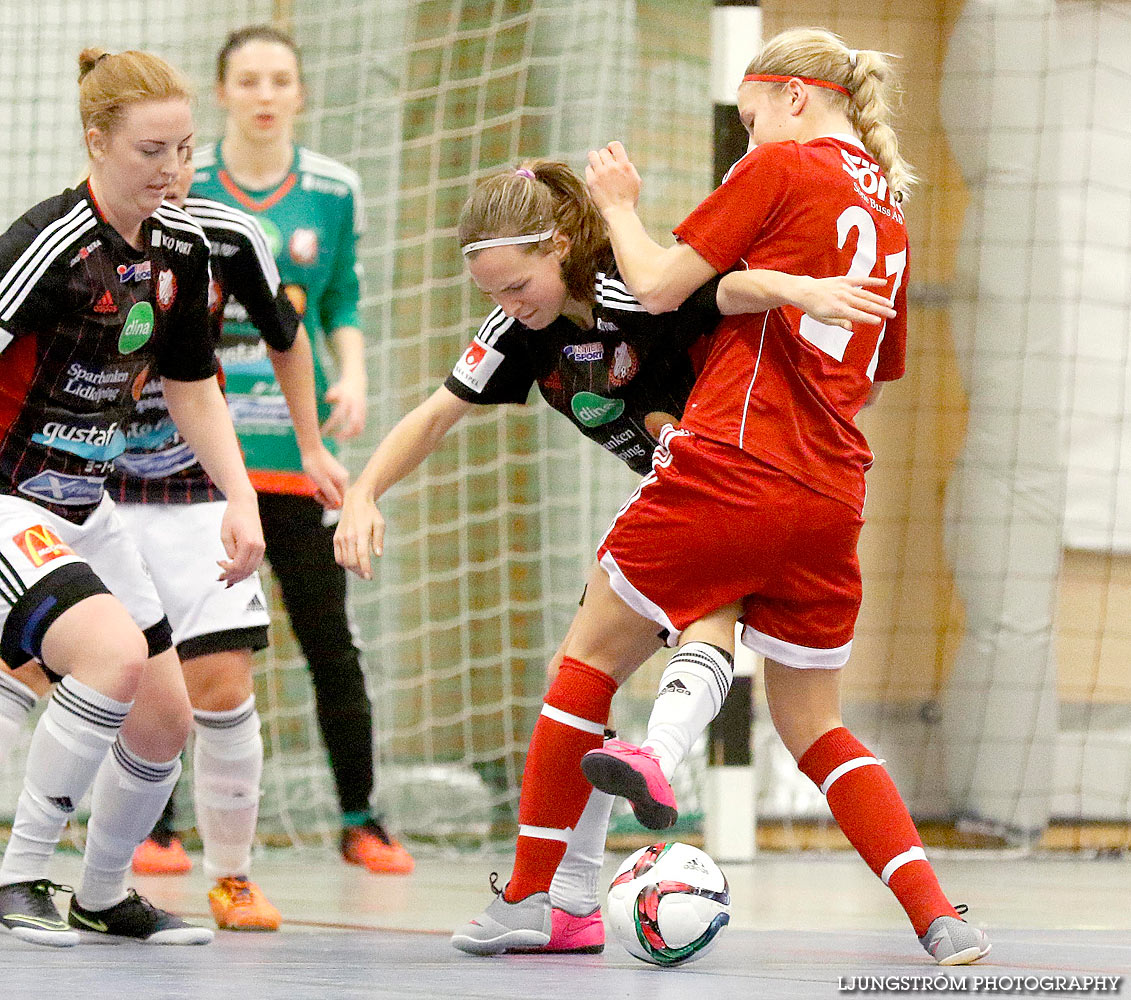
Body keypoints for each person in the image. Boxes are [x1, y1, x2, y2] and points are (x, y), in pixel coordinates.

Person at [453, 27, 992, 966]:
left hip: (737, 459)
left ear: (793, 97)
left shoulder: (782, 168)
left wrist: (617, 206)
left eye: (747, 121)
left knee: (584, 662)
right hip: (834, 490)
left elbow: (658, 287)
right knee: (814, 725)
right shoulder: (895, 214)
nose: (745, 142)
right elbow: (883, 364)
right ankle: (938, 917)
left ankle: (536, 897)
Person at [333, 157, 896, 954]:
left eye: (515, 285)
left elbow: (725, 290)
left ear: (559, 246)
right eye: (489, 294)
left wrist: (795, 287)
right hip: (675, 500)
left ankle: (561, 882)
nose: (505, 306)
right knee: (590, 689)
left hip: (735, 486)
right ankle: (570, 890)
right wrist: (364, 493)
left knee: (607, 663)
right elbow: (433, 417)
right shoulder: (519, 334)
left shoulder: (634, 292)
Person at [0, 47, 263, 947]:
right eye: (152, 151)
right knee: (109, 657)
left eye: (186, 148)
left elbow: (192, 381)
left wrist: (242, 498)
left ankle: (103, 893)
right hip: (8, 496)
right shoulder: (47, 244)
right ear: (97, 142)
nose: (174, 170)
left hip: (87, 504)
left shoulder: (183, 245)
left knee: (164, 715)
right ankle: (18, 876)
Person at [189, 24, 412, 874]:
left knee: (329, 636)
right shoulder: (188, 183)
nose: (264, 94)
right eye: (248, 80)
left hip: (296, 447)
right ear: (223, 92)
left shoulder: (332, 188)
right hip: (201, 456)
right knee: (185, 637)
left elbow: (340, 300)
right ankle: (162, 826)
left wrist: (349, 374)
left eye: (280, 79)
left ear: (300, 94)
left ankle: (361, 817)